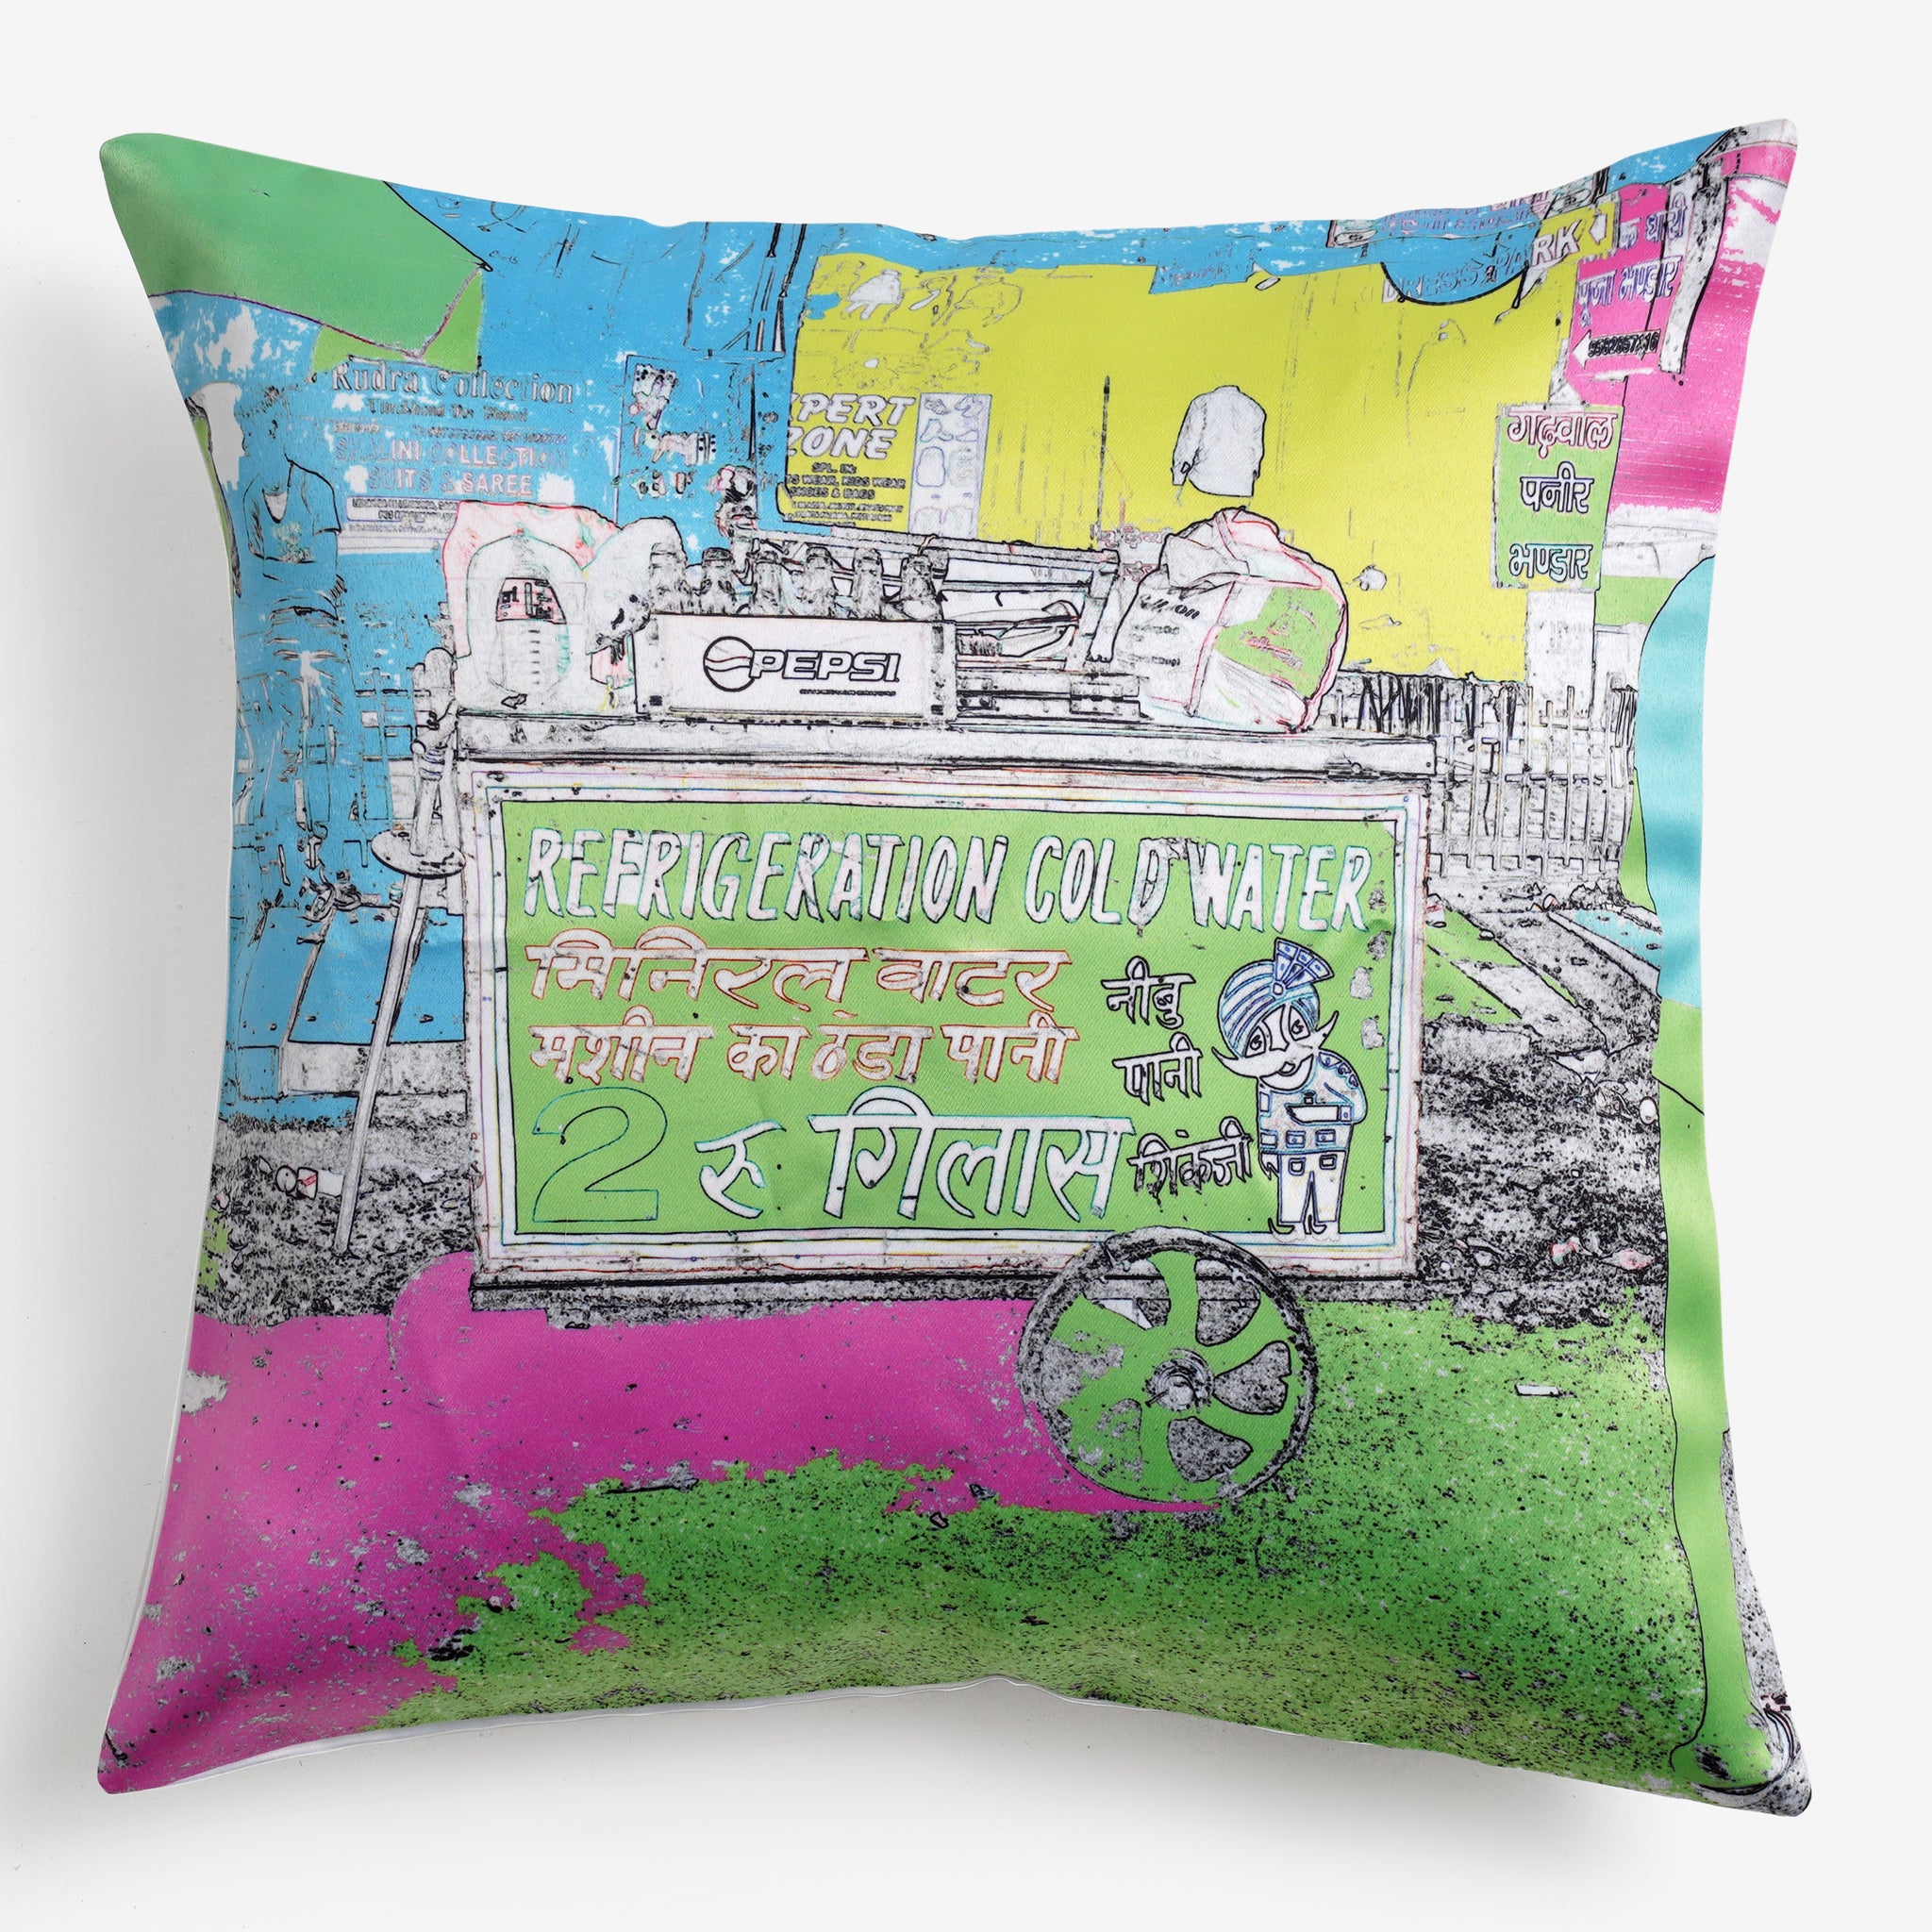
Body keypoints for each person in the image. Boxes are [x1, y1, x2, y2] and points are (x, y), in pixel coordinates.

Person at [1215, 939, 1367, 1237]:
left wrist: (1327, 1114)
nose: (1283, 1049)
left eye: (1295, 1029)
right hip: (1289, 1150)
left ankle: (1328, 1227)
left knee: (1327, 1189)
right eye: (1258, 1042)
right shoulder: (1267, 1085)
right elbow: (1267, 1118)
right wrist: (1268, 1151)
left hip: (1331, 1146)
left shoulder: (1329, 1067)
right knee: (1292, 1191)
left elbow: (1358, 1107)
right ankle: (1294, 1227)